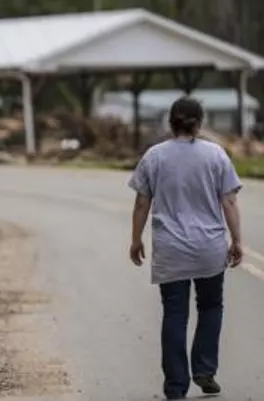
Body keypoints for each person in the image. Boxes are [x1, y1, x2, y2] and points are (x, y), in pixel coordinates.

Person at [127, 96, 243, 400]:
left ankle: (176, 387)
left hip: (171, 249)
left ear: (171, 122)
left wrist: (136, 239)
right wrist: (238, 240)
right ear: (200, 122)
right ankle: (204, 370)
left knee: (175, 314)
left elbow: (142, 202)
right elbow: (229, 201)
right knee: (210, 306)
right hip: (209, 247)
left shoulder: (154, 156)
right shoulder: (216, 154)